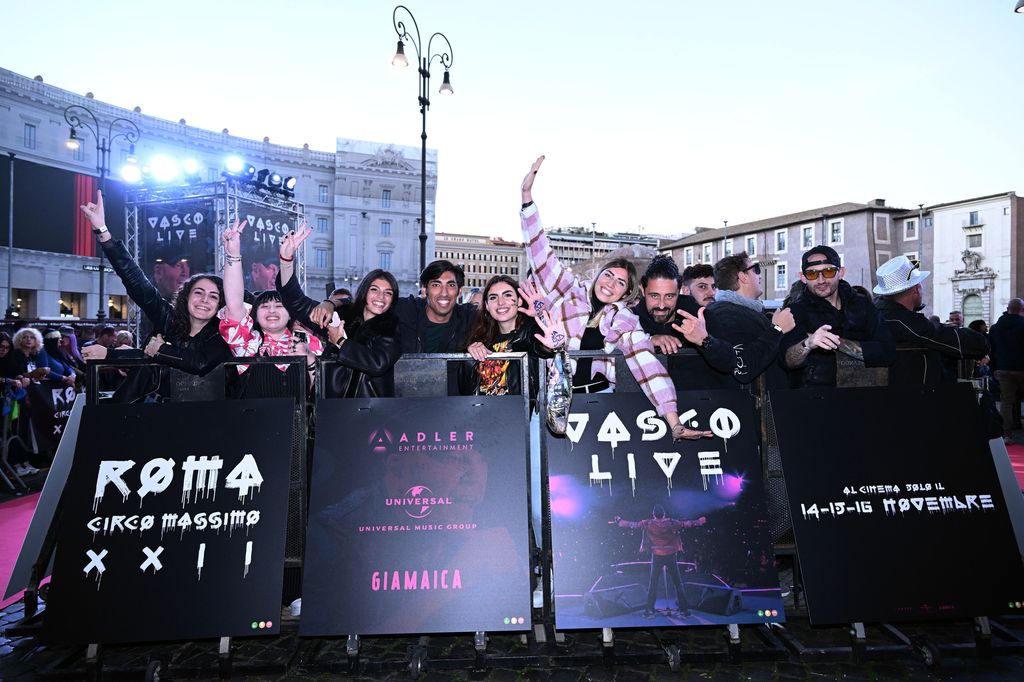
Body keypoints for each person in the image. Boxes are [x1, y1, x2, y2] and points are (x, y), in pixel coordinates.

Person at [519, 156, 708, 440]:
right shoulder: (568, 292)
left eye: (620, 282)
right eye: (608, 275)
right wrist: (527, 199)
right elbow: (541, 255)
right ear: (598, 276)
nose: (611, 283)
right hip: (556, 400)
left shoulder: (625, 321)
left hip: (600, 401)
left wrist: (673, 421)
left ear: (626, 292)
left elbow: (648, 367)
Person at [79, 191, 232, 384]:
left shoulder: (223, 333)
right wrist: (102, 231)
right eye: (198, 292)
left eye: (213, 296)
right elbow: (135, 280)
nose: (204, 300)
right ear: (186, 296)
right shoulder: (168, 319)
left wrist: (160, 349)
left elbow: (199, 363)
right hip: (153, 409)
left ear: (220, 304)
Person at [275, 228, 401, 398]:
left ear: (393, 299)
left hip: (371, 412)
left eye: (388, 293)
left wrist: (340, 341)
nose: (381, 297)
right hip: (331, 407)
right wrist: (286, 260)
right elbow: (296, 303)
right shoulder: (341, 317)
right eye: (375, 290)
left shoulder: (391, 327)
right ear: (365, 292)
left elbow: (378, 363)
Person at [219, 220, 321, 392]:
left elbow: (321, 393)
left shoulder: (309, 341)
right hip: (255, 418)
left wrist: (309, 358)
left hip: (299, 418)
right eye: (265, 306)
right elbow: (235, 302)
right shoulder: (248, 342)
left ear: (291, 314)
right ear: (254, 314)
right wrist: (233, 255)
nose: (272, 310)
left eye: (279, 305)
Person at [781, 245, 894, 388]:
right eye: (812, 274)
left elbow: (887, 351)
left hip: (864, 396)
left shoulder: (862, 304)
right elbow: (787, 360)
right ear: (803, 277)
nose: (820, 280)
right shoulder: (795, 311)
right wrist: (807, 344)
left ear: (841, 272)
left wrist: (837, 343)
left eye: (828, 271)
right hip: (815, 398)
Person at [307, 260, 476, 355]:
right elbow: (368, 303)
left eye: (451, 285)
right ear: (424, 289)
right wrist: (331, 303)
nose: (444, 293)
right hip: (401, 404)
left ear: (460, 291)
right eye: (436, 285)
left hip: (453, 405)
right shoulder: (405, 309)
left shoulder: (469, 317)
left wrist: (478, 346)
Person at [873, 256, 987, 387]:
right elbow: (977, 344)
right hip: (914, 399)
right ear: (916, 289)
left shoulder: (875, 314)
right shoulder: (907, 323)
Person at [701, 252, 796, 392]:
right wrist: (777, 329)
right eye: (756, 270)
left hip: (762, 405)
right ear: (743, 276)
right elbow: (743, 368)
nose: (760, 276)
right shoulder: (726, 314)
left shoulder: (743, 311)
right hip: (750, 408)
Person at [635, 255, 732, 390]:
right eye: (654, 296)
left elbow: (730, 363)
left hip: (699, 406)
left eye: (669, 296)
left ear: (679, 291)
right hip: (641, 407)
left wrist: (704, 341)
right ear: (642, 290)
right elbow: (608, 348)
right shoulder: (629, 320)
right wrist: (646, 341)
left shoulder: (700, 318)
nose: (662, 305)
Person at [457, 276, 558, 398]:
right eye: (493, 297)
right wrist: (470, 356)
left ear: (519, 301)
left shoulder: (529, 333)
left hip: (520, 414)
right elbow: (464, 389)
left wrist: (541, 315)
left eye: (508, 295)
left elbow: (543, 347)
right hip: (481, 412)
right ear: (487, 306)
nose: (500, 302)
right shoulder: (480, 337)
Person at [613, 506, 707, 617]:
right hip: (671, 555)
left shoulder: (647, 523)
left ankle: (650, 610)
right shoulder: (672, 523)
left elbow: (632, 524)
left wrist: (619, 521)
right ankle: (683, 611)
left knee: (653, 584)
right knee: (678, 583)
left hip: (657, 555)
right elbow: (687, 524)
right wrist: (699, 521)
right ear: (664, 514)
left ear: (653, 514)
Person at [989, 299, 1024, 441]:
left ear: (1007, 308)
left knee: (1006, 403)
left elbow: (991, 349)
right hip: (1022, 368)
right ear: (1021, 309)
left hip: (1003, 369)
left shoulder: (996, 327)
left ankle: (1007, 434)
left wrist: (994, 369)